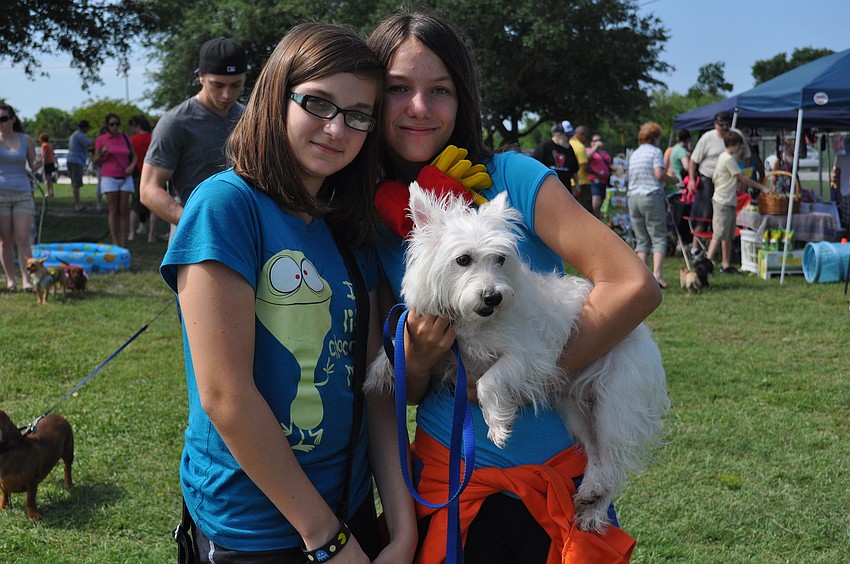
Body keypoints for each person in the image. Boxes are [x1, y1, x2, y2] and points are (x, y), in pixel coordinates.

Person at [368, 10, 661, 562]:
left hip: (559, 480)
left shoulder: (515, 179)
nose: (419, 108)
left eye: (440, 89)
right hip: (447, 481)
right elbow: (402, 384)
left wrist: (524, 379)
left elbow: (632, 286)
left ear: (463, 97)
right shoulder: (376, 217)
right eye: (397, 89)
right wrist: (419, 357)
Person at [159, 22, 416, 564]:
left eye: (358, 115)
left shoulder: (348, 222)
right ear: (278, 97)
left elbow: (376, 381)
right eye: (318, 103)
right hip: (258, 528)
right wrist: (326, 538)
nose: (336, 129)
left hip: (352, 511)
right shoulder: (225, 206)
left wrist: (402, 527)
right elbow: (225, 396)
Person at [141, 36, 247, 241]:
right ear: (200, 77)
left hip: (243, 234)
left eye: (236, 85)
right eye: (217, 85)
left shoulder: (250, 119)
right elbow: (148, 189)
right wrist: (195, 222)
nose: (226, 94)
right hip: (193, 238)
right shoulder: (175, 122)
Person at [706, 130, 771, 274]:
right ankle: (705, 264)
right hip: (722, 201)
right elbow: (743, 178)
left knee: (728, 234)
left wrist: (730, 183)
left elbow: (715, 178)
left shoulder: (724, 158)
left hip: (728, 200)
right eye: (739, 146)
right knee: (719, 233)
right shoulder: (727, 159)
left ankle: (726, 263)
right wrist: (762, 187)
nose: (740, 149)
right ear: (734, 145)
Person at [687, 111, 750, 257]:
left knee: (726, 218)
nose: (724, 128)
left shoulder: (736, 136)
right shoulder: (707, 138)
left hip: (728, 182)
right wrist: (691, 179)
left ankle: (724, 255)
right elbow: (694, 160)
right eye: (721, 125)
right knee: (704, 215)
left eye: (727, 125)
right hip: (708, 180)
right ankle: (696, 248)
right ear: (715, 125)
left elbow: (747, 158)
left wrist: (744, 181)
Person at [627, 122, 680, 289]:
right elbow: (658, 175)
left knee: (641, 239)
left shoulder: (635, 153)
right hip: (650, 196)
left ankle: (641, 278)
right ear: (655, 137)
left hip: (633, 198)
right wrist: (672, 179)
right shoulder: (655, 152)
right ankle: (657, 275)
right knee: (658, 237)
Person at [0, 103, 40, 291]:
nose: (0, 123)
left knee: (23, 237)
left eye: (3, 119)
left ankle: (26, 278)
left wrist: (39, 161)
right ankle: (10, 279)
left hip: (23, 193)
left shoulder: (25, 139)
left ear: (12, 119)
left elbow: (33, 166)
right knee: (5, 240)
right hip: (1, 195)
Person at [93, 113, 136, 247]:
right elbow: (95, 160)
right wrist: (101, 153)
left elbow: (134, 156)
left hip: (125, 176)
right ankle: (114, 241)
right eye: (112, 124)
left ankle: (123, 241)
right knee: (113, 210)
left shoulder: (125, 138)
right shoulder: (101, 140)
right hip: (109, 177)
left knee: (123, 210)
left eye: (117, 124)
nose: (115, 127)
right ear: (107, 126)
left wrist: (131, 167)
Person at [128, 114, 156, 243]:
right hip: (154, 174)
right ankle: (151, 235)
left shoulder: (132, 140)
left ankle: (132, 234)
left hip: (138, 174)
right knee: (154, 207)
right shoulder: (154, 138)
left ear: (138, 126)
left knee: (134, 206)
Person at [531, 121, 579, 190]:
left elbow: (574, 169)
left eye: (571, 136)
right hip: (547, 189)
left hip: (565, 189)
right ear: (558, 135)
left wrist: (577, 185)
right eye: (567, 136)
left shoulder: (569, 148)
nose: (569, 138)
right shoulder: (545, 146)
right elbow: (534, 166)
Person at [67, 120, 92, 211]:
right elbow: (91, 143)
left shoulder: (75, 134)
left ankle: (77, 204)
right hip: (75, 161)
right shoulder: (80, 135)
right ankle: (77, 205)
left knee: (76, 183)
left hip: (75, 160)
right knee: (76, 184)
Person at [586, 131, 613, 217]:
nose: (598, 142)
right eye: (595, 140)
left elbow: (609, 163)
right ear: (592, 142)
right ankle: (594, 220)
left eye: (599, 140)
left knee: (601, 202)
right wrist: (595, 148)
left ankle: (598, 219)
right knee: (596, 203)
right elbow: (586, 158)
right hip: (594, 180)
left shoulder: (604, 153)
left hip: (604, 181)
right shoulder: (589, 150)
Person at [570, 125, 593, 213]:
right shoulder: (580, 147)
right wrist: (597, 174)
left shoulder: (569, 144)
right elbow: (584, 167)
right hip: (582, 183)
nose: (585, 139)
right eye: (585, 136)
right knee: (586, 210)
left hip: (571, 183)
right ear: (581, 135)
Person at [37, 132, 56, 197]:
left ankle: (48, 193)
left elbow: (43, 155)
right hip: (51, 162)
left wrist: (38, 162)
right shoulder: (49, 145)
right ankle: (51, 192)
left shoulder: (44, 145)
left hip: (47, 163)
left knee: (47, 179)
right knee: (49, 179)